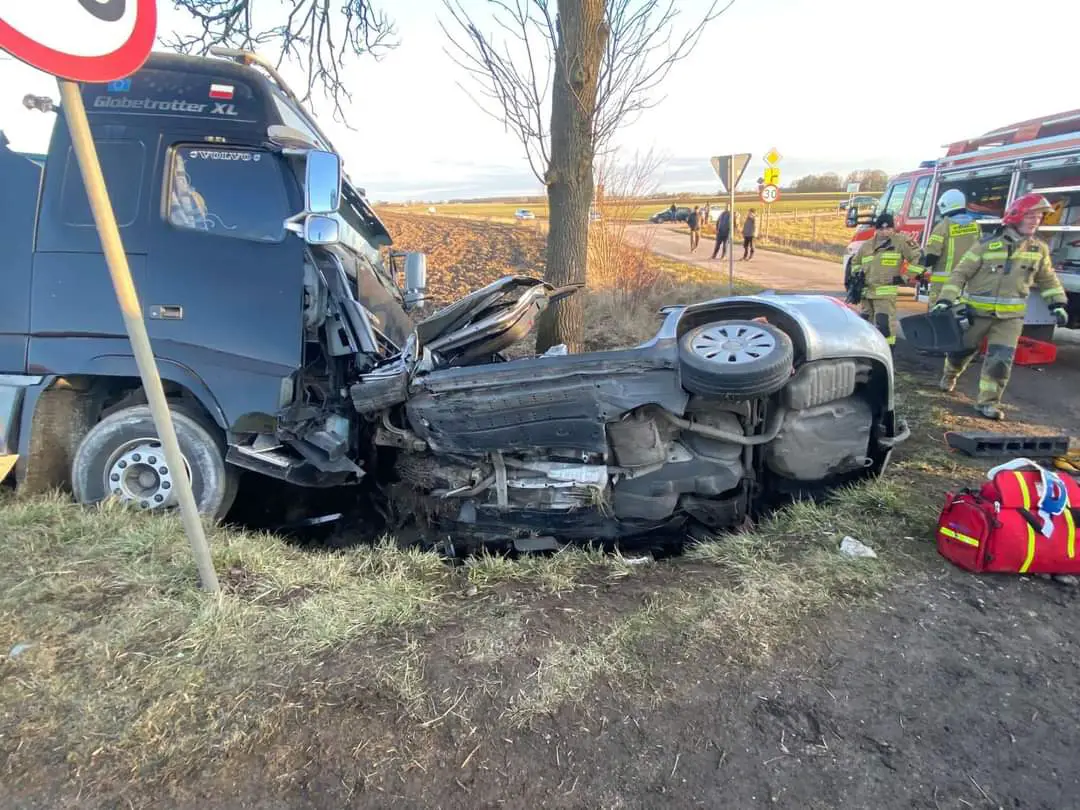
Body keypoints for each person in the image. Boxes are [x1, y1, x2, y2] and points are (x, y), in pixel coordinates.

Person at [933, 193, 1068, 420]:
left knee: (1000, 360)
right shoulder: (985, 245)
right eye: (1031, 216)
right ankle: (950, 374)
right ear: (1016, 216)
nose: (1036, 221)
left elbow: (1048, 279)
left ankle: (988, 403)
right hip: (976, 313)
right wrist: (946, 299)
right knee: (961, 351)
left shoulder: (1038, 249)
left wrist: (1057, 303)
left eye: (1039, 217)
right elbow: (960, 274)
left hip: (1010, 319)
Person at [849, 212, 920, 346]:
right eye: (881, 229)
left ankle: (888, 351)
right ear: (876, 229)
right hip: (866, 293)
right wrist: (857, 276)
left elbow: (918, 258)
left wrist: (906, 277)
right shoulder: (867, 245)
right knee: (865, 325)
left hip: (885, 294)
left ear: (893, 228)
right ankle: (868, 351)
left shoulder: (901, 242)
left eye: (888, 228)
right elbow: (855, 263)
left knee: (884, 326)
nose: (885, 231)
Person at [921, 189, 981, 306]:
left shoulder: (943, 226)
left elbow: (931, 256)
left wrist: (919, 261)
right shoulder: (975, 225)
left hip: (944, 284)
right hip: (968, 281)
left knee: (939, 313)